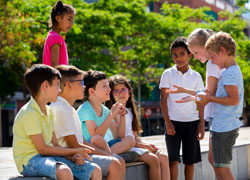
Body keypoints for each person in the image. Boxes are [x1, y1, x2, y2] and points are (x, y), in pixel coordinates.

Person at [12, 64, 101, 180]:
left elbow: (55, 144)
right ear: (45, 85)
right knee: (64, 172)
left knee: (94, 169)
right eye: (57, 85)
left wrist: (72, 156)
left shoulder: (48, 111)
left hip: (47, 157)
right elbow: (42, 149)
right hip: (30, 160)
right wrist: (76, 150)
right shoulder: (29, 112)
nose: (59, 90)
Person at [50, 65, 125, 180]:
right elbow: (74, 144)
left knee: (117, 160)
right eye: (81, 83)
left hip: (78, 151)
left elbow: (83, 142)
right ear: (69, 85)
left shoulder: (70, 109)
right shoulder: (60, 108)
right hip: (69, 156)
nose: (84, 87)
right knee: (113, 163)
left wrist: (108, 154)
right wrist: (107, 155)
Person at [166, 28, 225, 169]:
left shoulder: (213, 64)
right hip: (219, 117)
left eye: (196, 53)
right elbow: (209, 92)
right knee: (214, 160)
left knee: (219, 163)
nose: (196, 57)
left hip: (221, 117)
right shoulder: (216, 63)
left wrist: (187, 92)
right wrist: (190, 94)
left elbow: (209, 94)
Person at [105, 75, 170, 180]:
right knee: (153, 159)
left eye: (123, 90)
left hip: (134, 144)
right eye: (116, 91)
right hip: (123, 145)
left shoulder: (129, 111)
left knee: (164, 157)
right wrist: (144, 147)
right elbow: (119, 137)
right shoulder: (113, 112)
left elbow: (134, 136)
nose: (120, 93)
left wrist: (146, 145)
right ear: (111, 95)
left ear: (129, 92)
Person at [197, 32, 243, 180]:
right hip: (223, 125)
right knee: (217, 163)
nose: (213, 62)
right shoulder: (233, 71)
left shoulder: (229, 73)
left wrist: (210, 98)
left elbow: (233, 100)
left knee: (222, 168)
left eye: (212, 57)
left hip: (225, 126)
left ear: (222, 51)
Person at [159, 37, 205, 180]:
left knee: (190, 161)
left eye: (182, 54)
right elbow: (163, 100)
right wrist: (168, 123)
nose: (178, 58)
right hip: (173, 122)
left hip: (192, 122)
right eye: (175, 55)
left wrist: (202, 124)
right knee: (173, 160)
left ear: (190, 54)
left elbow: (200, 101)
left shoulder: (196, 76)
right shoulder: (168, 73)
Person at [77, 70, 136, 178]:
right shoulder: (85, 109)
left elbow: (119, 136)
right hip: (90, 147)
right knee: (98, 140)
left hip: (103, 146)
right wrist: (111, 115)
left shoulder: (104, 110)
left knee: (130, 140)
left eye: (108, 86)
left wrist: (122, 116)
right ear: (92, 91)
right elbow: (95, 136)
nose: (109, 89)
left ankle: (109, 153)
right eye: (105, 86)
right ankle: (110, 154)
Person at [43, 0, 75, 67]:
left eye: (72, 21)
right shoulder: (56, 38)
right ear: (58, 18)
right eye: (69, 19)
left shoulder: (51, 35)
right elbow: (55, 65)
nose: (72, 24)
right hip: (56, 77)